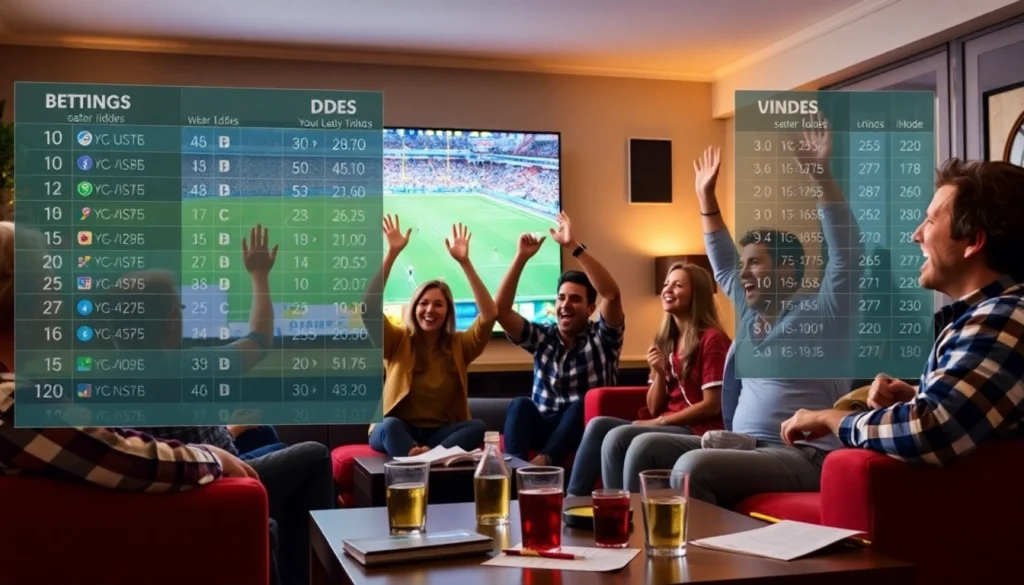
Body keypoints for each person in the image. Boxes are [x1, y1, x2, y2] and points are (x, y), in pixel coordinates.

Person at [0, 221, 282, 584]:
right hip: (206, 498)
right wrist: (216, 456)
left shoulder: (76, 387)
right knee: (311, 455)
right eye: (49, 288)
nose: (58, 304)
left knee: (265, 434)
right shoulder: (16, 405)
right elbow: (119, 456)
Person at [622, 126, 861, 506]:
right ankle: (623, 540)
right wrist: (705, 197)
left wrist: (821, 176)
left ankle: (700, 564)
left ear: (786, 270)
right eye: (743, 264)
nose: (743, 274)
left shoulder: (825, 311)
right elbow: (721, 263)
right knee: (639, 445)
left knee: (692, 466)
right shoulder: (752, 315)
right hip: (745, 445)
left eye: (755, 264)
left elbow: (847, 254)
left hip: (802, 454)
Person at [109, 225, 333, 585]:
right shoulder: (188, 366)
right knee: (315, 455)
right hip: (217, 486)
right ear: (169, 319)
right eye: (179, 306)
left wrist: (230, 430)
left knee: (269, 435)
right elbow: (259, 339)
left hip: (183, 480)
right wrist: (259, 275)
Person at [781, 158, 1024, 463]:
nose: (916, 234)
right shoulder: (992, 315)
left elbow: (932, 429)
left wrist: (832, 418)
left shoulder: (1003, 317)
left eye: (931, 221)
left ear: (972, 241)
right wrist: (916, 396)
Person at [567, 262, 729, 496]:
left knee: (620, 436)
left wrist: (659, 423)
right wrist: (660, 374)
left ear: (697, 293)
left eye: (678, 285)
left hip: (699, 430)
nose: (668, 290)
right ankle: (573, 502)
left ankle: (624, 512)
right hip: (672, 425)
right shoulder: (665, 340)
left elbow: (713, 404)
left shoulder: (713, 339)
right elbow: (653, 407)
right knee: (598, 425)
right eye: (666, 284)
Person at [498, 212, 624, 466]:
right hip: (544, 426)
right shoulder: (543, 336)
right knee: (520, 405)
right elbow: (500, 311)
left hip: (584, 432)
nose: (565, 305)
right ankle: (517, 469)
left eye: (575, 299)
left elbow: (611, 294)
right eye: (561, 298)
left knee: (580, 406)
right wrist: (521, 257)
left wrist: (572, 247)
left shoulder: (602, 339)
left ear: (590, 309)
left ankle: (543, 464)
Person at [364, 216, 496, 457]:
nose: (429, 310)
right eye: (423, 304)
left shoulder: (460, 345)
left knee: (476, 428)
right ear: (414, 308)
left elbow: (489, 315)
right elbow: (368, 308)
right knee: (390, 425)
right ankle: (430, 458)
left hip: (439, 433)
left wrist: (465, 263)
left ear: (448, 311)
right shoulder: (398, 339)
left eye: (438, 304)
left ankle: (422, 457)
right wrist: (392, 253)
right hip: (396, 428)